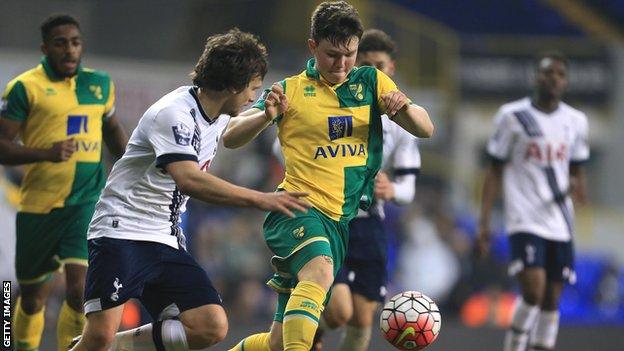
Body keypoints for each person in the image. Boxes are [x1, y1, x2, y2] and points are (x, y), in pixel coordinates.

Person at [68, 29, 310, 351]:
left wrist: (266, 117)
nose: (254, 97)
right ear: (234, 86)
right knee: (97, 336)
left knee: (210, 325)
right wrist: (261, 199)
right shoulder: (174, 114)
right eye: (253, 89)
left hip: (165, 238)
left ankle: (119, 345)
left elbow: (233, 135)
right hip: (121, 231)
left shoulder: (217, 111)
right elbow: (189, 180)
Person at [223, 2, 433, 350]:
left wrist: (404, 108)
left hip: (340, 221)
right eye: (332, 54)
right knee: (320, 271)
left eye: (349, 54)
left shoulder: (370, 82)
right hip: (296, 209)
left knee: (277, 343)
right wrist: (264, 116)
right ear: (312, 47)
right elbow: (231, 136)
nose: (342, 64)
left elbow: (425, 128)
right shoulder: (289, 89)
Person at [272, 29, 422, 351]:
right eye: (364, 65)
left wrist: (392, 189)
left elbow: (409, 187)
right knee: (340, 310)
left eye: (379, 66)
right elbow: (279, 147)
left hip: (369, 224)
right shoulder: (330, 104)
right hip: (329, 216)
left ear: (390, 69)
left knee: (362, 319)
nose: (372, 74)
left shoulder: (400, 120)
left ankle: (305, 333)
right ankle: (306, 335)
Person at [0, 14, 128, 351]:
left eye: (75, 42)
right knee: (31, 299)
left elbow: (113, 132)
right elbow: (2, 146)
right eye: (60, 43)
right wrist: (45, 153)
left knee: (78, 289)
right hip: (38, 205)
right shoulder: (24, 88)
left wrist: (132, 167)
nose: (69, 50)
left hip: (84, 201)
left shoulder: (99, 84)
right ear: (45, 48)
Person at [477, 51, 589, 351]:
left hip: (560, 221)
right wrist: (484, 221)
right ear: (535, 77)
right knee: (533, 292)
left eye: (559, 74)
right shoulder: (512, 116)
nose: (553, 78)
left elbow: (576, 168)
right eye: (547, 72)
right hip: (524, 217)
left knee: (552, 299)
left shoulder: (576, 121)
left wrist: (579, 189)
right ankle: (514, 346)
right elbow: (494, 170)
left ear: (565, 82)